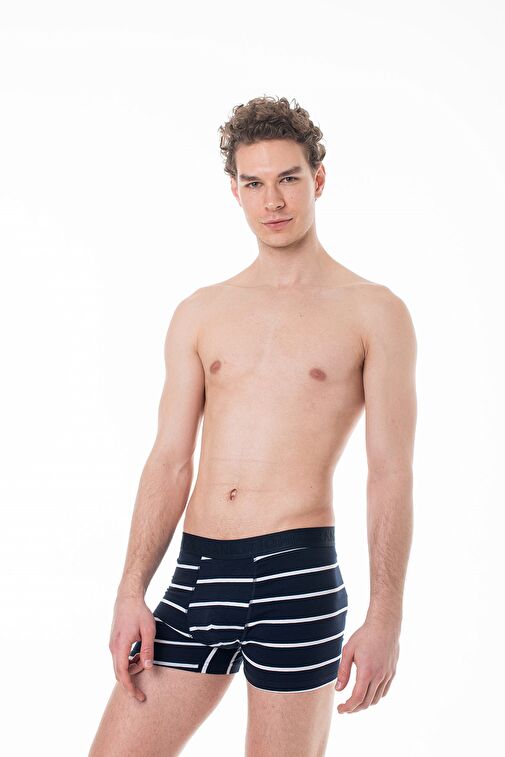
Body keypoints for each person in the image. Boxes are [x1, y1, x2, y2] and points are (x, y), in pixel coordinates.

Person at [89, 95, 417, 756]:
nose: (273, 200)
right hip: (199, 570)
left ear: (317, 179)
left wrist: (385, 616)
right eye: (254, 183)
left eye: (288, 178)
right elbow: (169, 460)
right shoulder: (201, 311)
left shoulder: (373, 312)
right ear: (234, 191)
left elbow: (389, 471)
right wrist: (130, 589)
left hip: (297, 574)